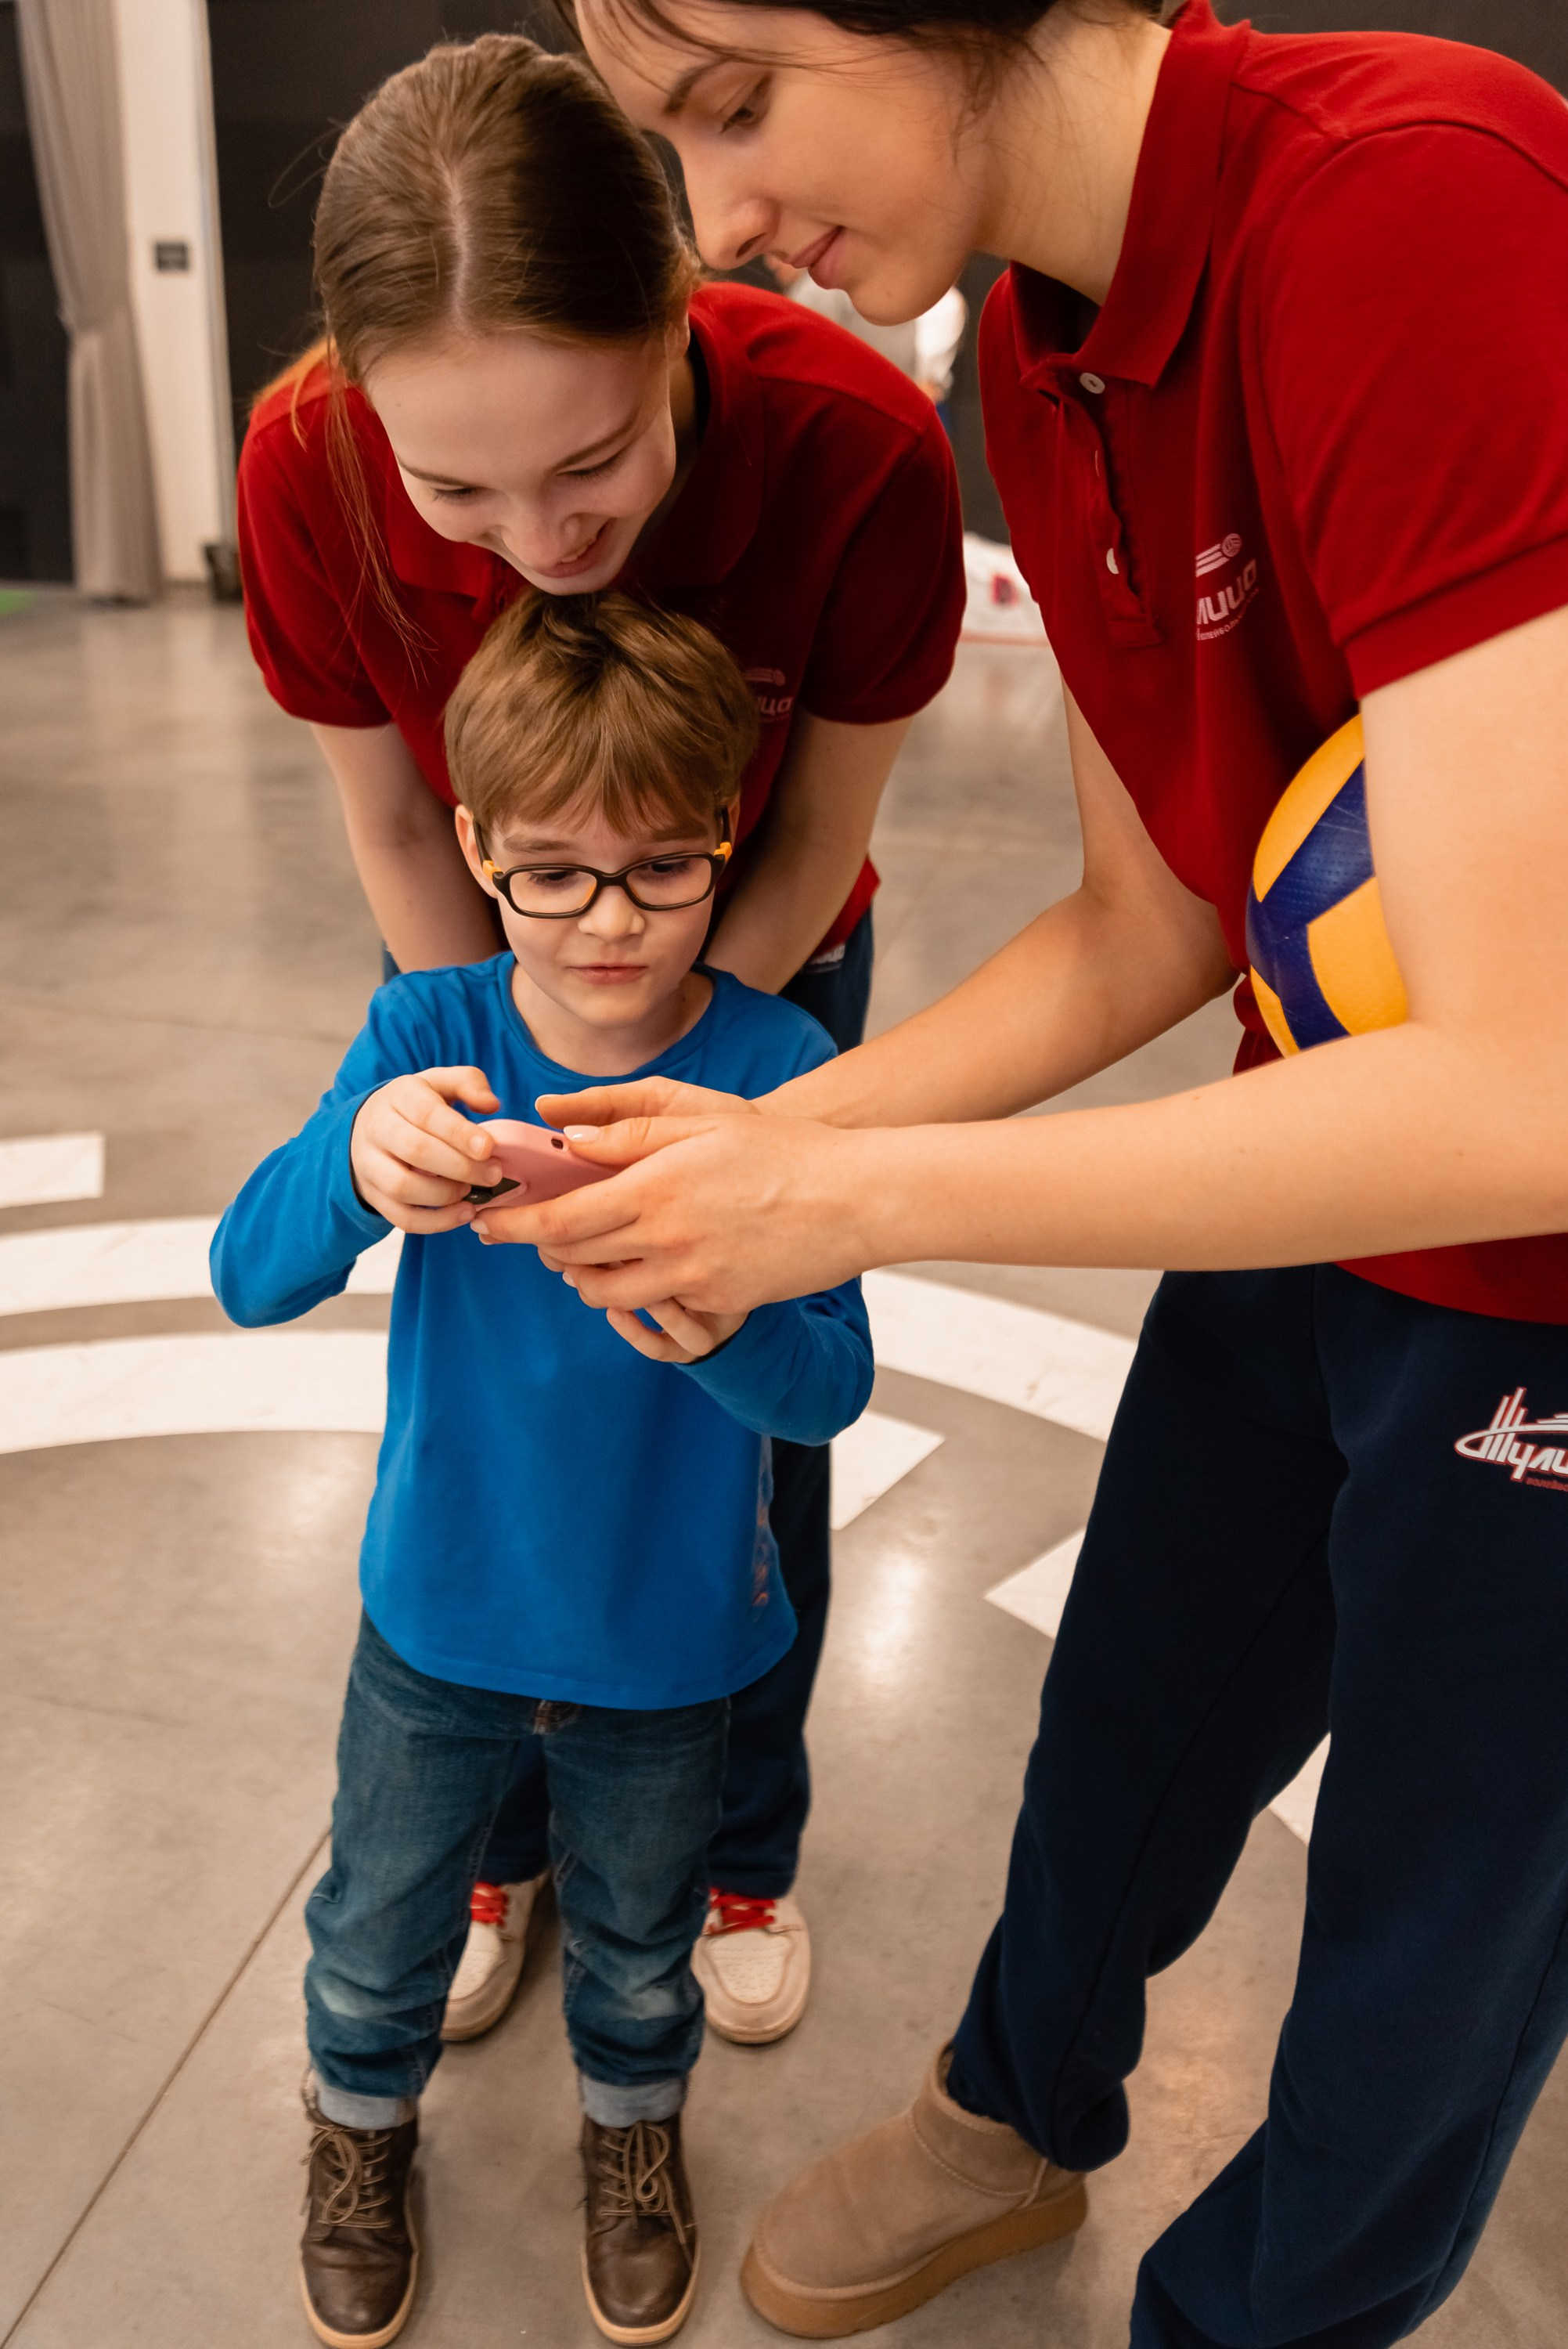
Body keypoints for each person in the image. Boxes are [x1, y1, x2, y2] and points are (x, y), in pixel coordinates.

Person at [472, 2, 1568, 2344]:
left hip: (1533, 1291)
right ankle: (1011, 2112)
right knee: (1131, 1713)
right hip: (1302, 1170)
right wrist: (768, 1132)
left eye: (736, 105)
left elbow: (1526, 1085)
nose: (718, 223)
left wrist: (848, 1207)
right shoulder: (1043, 358)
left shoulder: (1415, 201)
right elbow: (1146, 922)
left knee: (1432, 1928)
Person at [235, 32, 964, 2050]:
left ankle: (738, 1845)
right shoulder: (304, 468)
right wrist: (497, 1053)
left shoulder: (851, 449)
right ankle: (503, 1840)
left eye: (592, 464)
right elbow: (404, 831)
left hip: (761, 966)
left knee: (748, 1414)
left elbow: (810, 839)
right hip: (487, 967)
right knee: (512, 1399)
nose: (533, 536)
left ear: (677, 322)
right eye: (453, 488)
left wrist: (691, 1067)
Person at [211, 590, 874, 2347]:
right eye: (554, 875)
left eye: (662, 869)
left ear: (726, 834)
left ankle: (633, 2134)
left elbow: (831, 1390)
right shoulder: (425, 1038)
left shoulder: (777, 1066)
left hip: (673, 1639)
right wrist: (357, 1159)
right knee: (378, 1928)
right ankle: (360, 2128)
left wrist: (715, 1315)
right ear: (476, 849)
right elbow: (248, 1274)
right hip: (436, 1620)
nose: (610, 921)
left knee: (644, 1944)